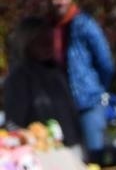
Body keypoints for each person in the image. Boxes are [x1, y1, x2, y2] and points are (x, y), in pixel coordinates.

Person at [45, 0, 114, 160]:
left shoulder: (84, 24)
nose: (60, 2)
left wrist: (96, 89)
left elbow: (105, 63)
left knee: (95, 155)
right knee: (66, 158)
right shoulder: (47, 27)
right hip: (60, 103)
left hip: (88, 101)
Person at [3, 16, 82, 148]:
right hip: (40, 150)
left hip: (70, 144)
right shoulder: (19, 78)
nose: (48, 46)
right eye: (41, 42)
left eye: (50, 41)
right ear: (27, 43)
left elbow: (70, 113)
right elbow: (14, 123)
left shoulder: (56, 71)